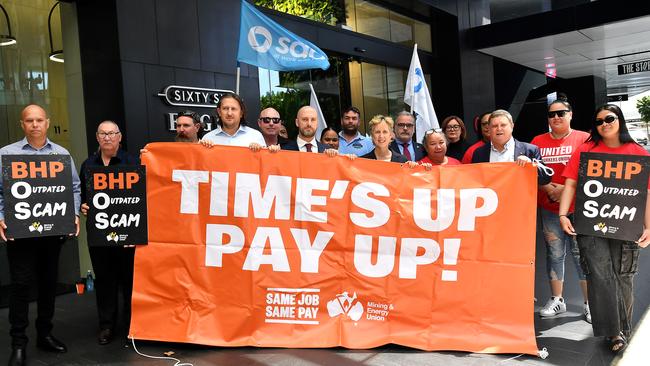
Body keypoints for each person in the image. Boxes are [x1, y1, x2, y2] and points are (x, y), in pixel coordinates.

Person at [559, 104, 650, 354]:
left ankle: (624, 327)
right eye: (599, 121)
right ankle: (613, 332)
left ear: (619, 120)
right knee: (600, 277)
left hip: (626, 224)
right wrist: (563, 213)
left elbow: (647, 193)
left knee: (623, 275)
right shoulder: (586, 150)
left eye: (609, 118)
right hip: (590, 225)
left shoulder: (638, 152)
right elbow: (570, 184)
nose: (604, 124)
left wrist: (649, 227)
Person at [0, 104, 81, 366]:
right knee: (21, 286)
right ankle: (18, 343)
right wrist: (1, 217)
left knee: (48, 284)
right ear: (22, 125)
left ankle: (44, 334)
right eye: (29, 120)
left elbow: (74, 187)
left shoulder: (61, 154)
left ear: (47, 122)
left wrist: (74, 214)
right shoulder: (6, 154)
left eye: (39, 120)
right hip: (20, 234)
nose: (35, 124)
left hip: (52, 232)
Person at [79, 121, 139, 346]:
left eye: (111, 133)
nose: (107, 137)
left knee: (130, 281)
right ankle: (106, 326)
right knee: (105, 281)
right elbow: (83, 197)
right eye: (103, 134)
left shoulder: (133, 162)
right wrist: (83, 206)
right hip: (99, 234)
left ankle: (132, 325)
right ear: (97, 137)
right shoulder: (88, 164)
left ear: (119, 136)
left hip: (127, 235)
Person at [531, 100, 590, 322]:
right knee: (554, 254)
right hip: (549, 207)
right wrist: (548, 188)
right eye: (552, 114)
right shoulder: (537, 141)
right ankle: (558, 299)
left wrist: (565, 189)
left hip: (578, 208)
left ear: (571, 115)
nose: (556, 117)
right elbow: (531, 171)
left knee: (581, 255)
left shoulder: (584, 138)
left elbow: (590, 170)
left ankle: (589, 303)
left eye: (561, 113)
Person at [471, 109, 551, 185]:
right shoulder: (479, 153)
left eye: (503, 125)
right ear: (489, 129)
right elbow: (473, 182)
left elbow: (545, 179)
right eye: (494, 126)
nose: (499, 129)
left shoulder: (530, 150)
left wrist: (531, 165)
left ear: (512, 126)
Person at [201, 92, 265, 147]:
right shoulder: (207, 139)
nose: (229, 113)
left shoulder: (256, 136)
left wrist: (259, 151)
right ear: (219, 112)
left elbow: (264, 160)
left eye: (233, 109)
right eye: (225, 108)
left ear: (241, 113)